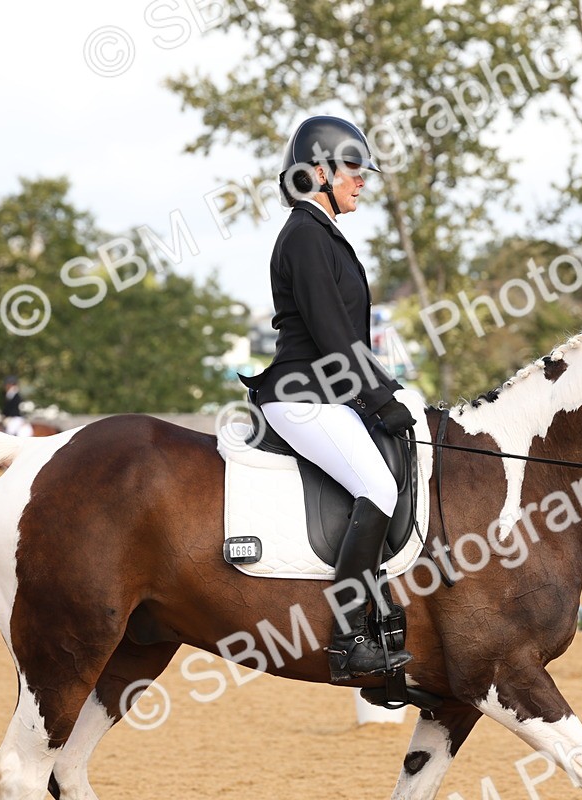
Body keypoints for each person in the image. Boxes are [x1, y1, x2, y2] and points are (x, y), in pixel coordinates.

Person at [240, 115, 414, 681]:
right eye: (354, 169)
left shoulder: (322, 233)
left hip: (327, 395)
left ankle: (388, 620)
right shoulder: (306, 236)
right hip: (302, 396)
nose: (363, 180)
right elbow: (334, 336)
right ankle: (346, 643)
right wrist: (382, 399)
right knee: (377, 487)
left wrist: (383, 394)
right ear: (319, 171)